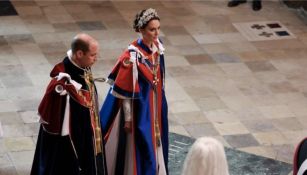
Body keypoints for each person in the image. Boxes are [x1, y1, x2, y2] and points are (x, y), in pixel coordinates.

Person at [99, 8, 168, 175]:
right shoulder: (132, 56)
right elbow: (126, 92)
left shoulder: (158, 48)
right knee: (141, 143)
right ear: (141, 30)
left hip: (154, 105)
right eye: (152, 29)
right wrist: (128, 119)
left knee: (157, 140)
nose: (156, 33)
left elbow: (160, 77)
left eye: (158, 28)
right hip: (140, 108)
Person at [31, 33, 107, 175]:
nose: (96, 59)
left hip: (89, 133)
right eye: (92, 55)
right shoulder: (64, 83)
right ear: (79, 53)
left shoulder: (81, 65)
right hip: (70, 146)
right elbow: (64, 127)